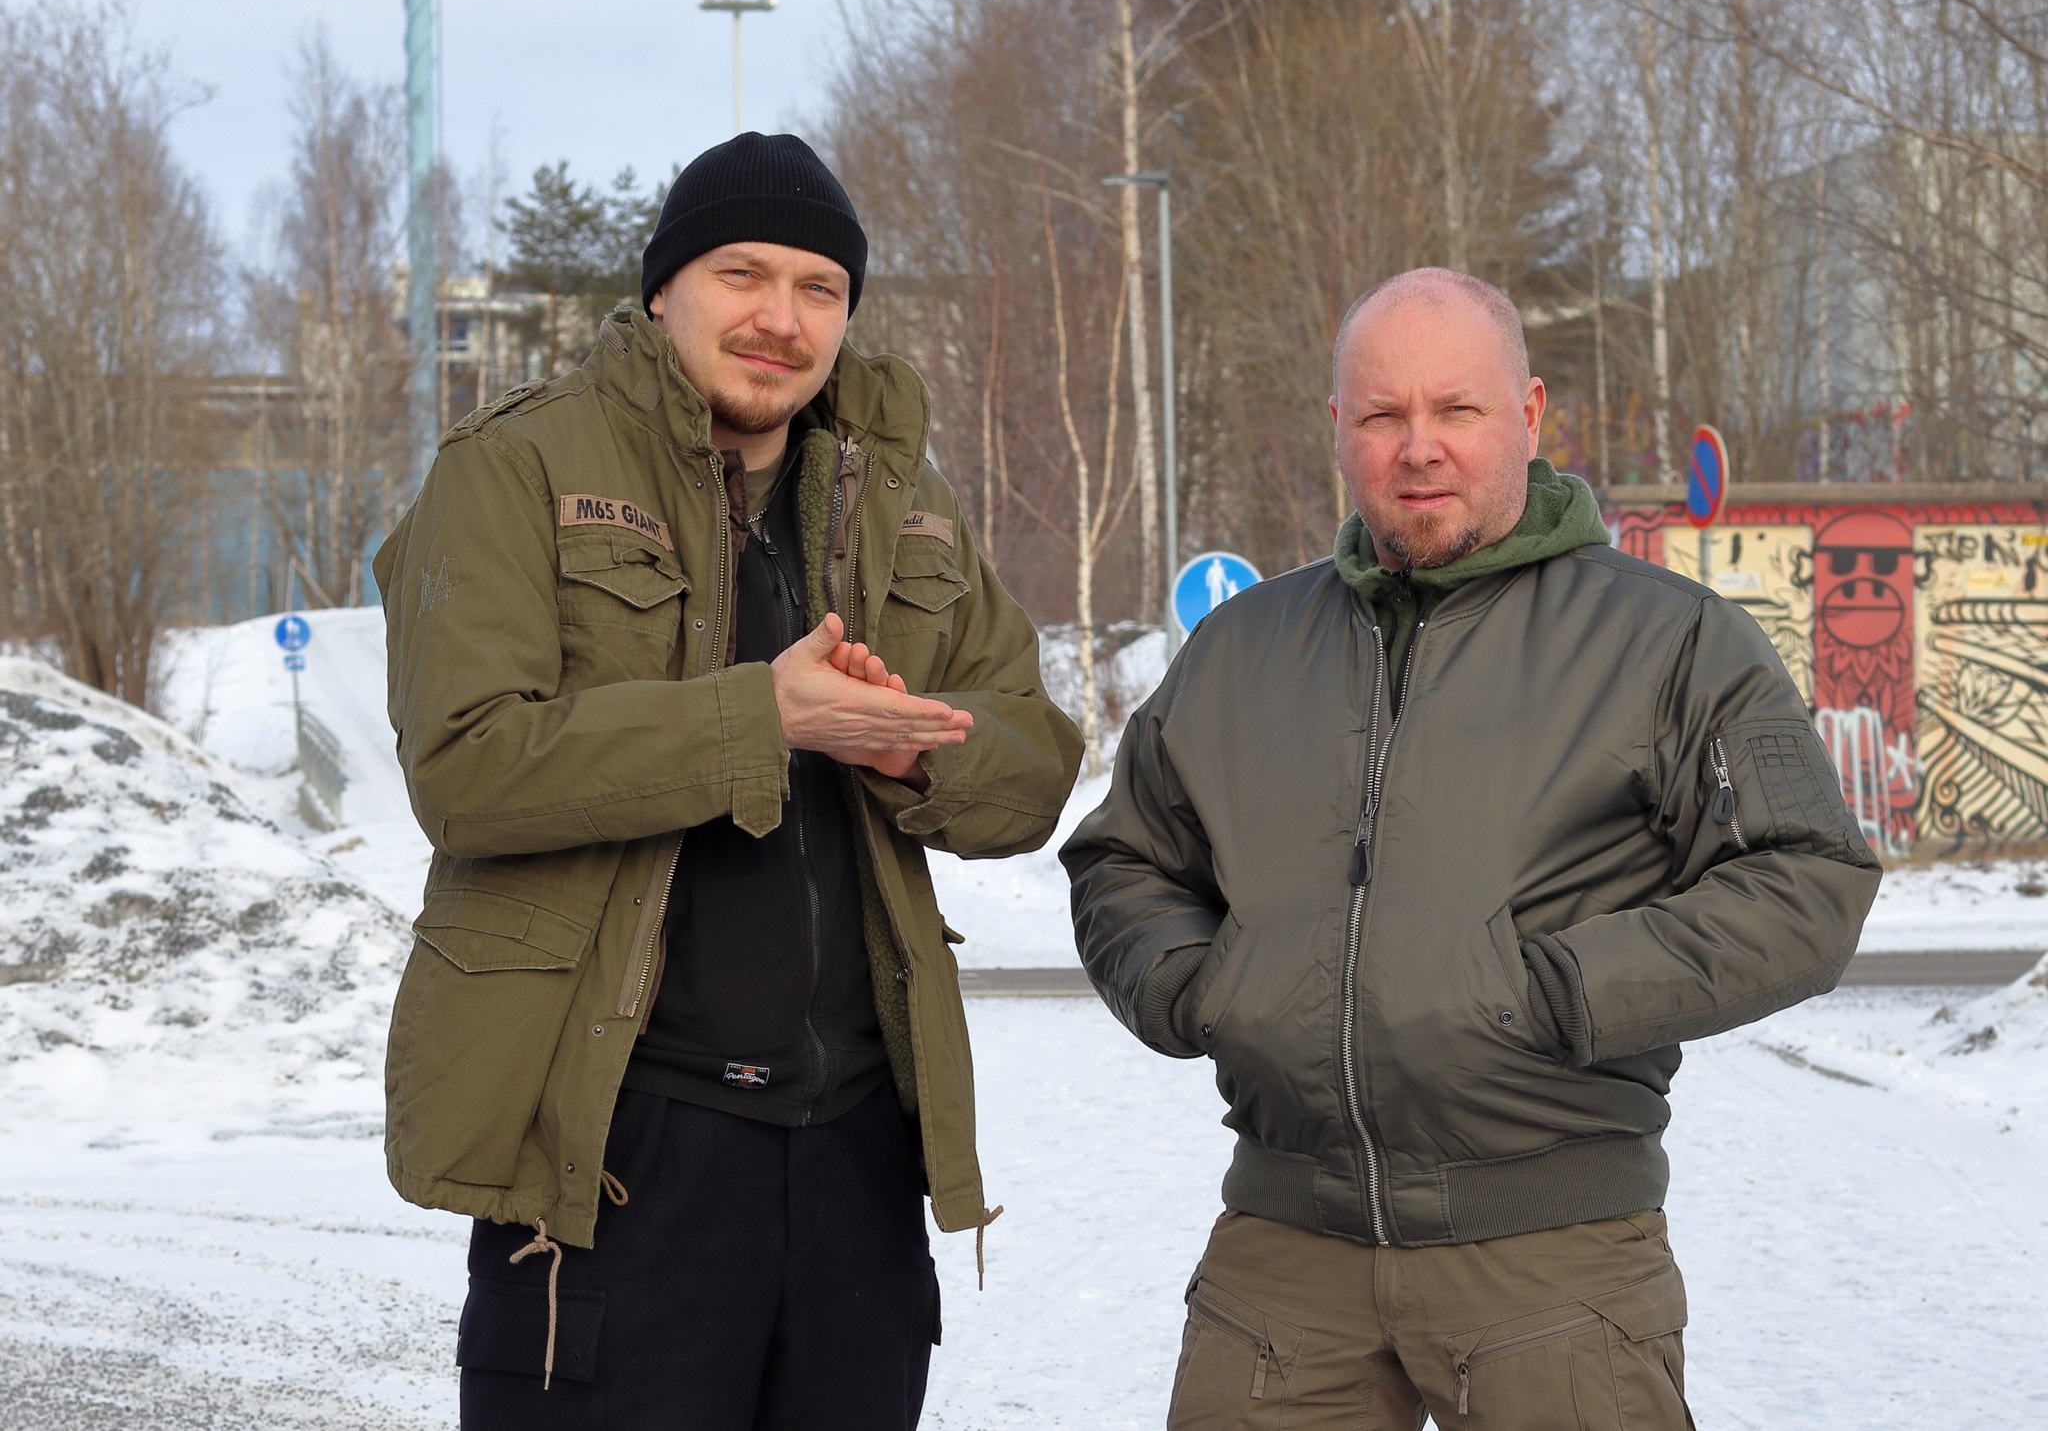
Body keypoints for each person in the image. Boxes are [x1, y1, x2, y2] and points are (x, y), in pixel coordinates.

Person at [1064, 267, 1879, 1429]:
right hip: (1282, 1265)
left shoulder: (1670, 640)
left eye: (1457, 410)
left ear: (1530, 416)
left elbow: (1807, 881)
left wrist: (1550, 992)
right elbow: (1121, 860)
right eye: (1382, 414)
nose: (1417, 448)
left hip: (1555, 1264)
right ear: (1335, 429)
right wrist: (1205, 990)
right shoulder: (1241, 652)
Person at [374, 132, 1082, 1429]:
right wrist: (762, 716)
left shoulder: (897, 500)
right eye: (743, 274)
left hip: (858, 1155)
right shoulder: (516, 469)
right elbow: (466, 764)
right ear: (663, 290)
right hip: (624, 1152)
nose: (781, 318)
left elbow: (1032, 759)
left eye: (821, 287)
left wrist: (906, 750)